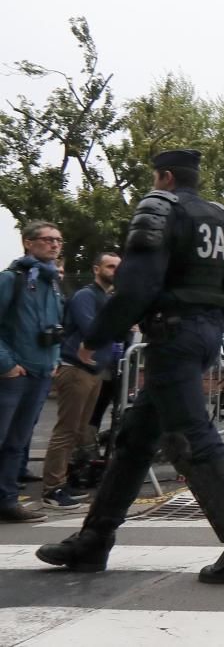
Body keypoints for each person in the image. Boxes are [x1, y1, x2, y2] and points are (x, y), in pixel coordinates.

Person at [36, 149, 224, 583]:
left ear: (164, 176)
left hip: (172, 334)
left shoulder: (159, 208)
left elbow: (136, 285)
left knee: (191, 438)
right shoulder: (222, 219)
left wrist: (95, 337)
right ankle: (94, 539)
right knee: (134, 442)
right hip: (204, 333)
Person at [40, 252, 120, 509]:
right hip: (77, 368)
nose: (115, 271)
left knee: (78, 430)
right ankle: (52, 489)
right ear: (97, 269)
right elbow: (92, 329)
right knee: (66, 430)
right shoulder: (86, 295)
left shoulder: (107, 297)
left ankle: (62, 482)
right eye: (110, 266)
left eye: (119, 267)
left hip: (94, 370)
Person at [0, 221, 65, 523]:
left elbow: (54, 326)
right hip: (13, 373)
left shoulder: (51, 282)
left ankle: (7, 500)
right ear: (28, 243)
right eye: (47, 239)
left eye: (58, 240)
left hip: (39, 372)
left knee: (17, 441)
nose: (54, 245)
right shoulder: (11, 279)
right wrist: (7, 364)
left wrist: (53, 359)